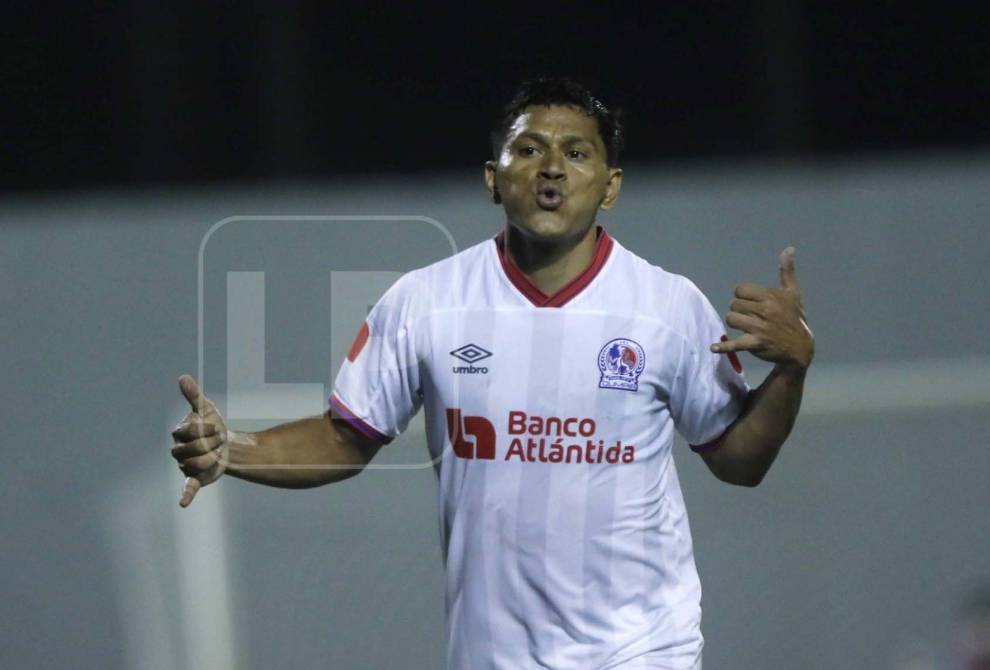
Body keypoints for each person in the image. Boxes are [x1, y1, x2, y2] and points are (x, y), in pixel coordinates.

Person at [170, 77, 815, 669]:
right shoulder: (426, 302)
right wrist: (235, 450)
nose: (553, 170)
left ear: (610, 185)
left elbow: (739, 460)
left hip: (642, 649)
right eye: (530, 150)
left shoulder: (668, 308)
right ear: (492, 177)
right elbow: (345, 437)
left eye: (577, 154)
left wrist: (791, 369)